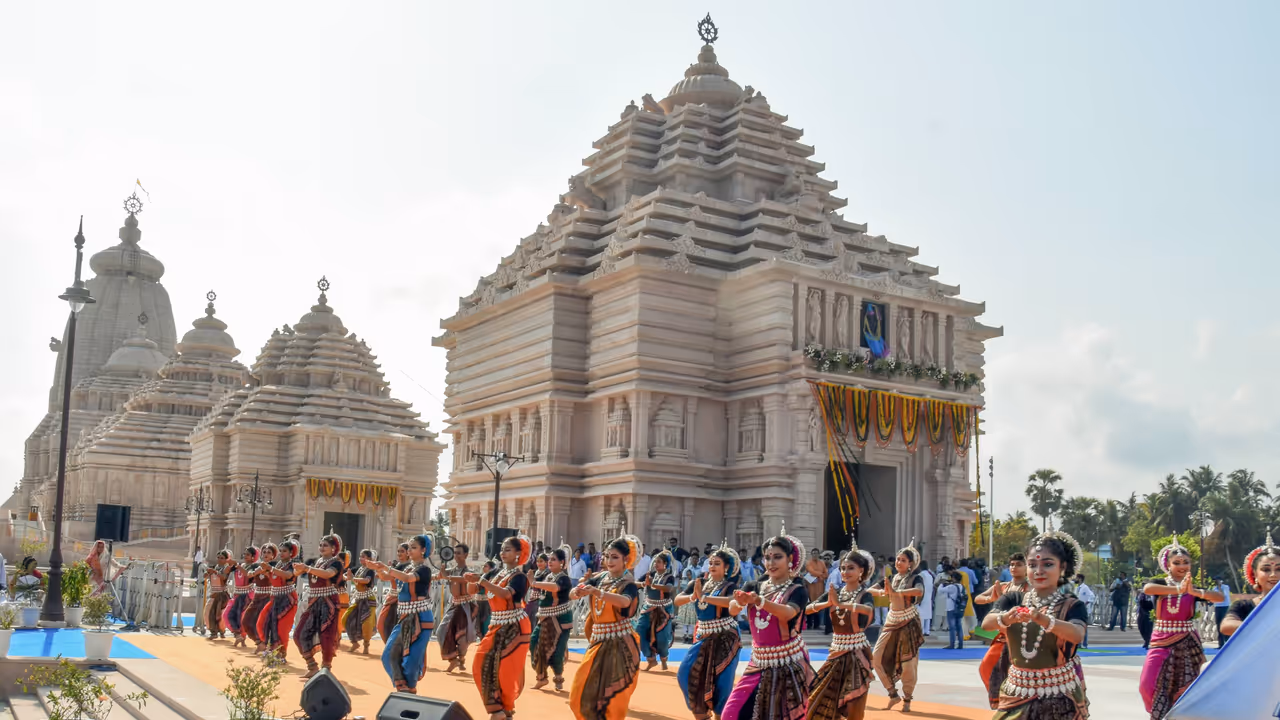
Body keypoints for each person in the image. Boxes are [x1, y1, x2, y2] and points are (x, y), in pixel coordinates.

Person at [981, 526, 1089, 719]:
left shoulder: (1072, 605)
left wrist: (1045, 620)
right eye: (1032, 565)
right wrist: (1005, 618)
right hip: (1016, 693)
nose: (1039, 571)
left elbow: (1077, 634)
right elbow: (986, 624)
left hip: (1058, 697)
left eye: (1047, 564)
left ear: (1062, 567)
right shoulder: (1013, 599)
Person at [722, 528, 813, 720]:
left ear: (790, 559)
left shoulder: (798, 590)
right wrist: (740, 602)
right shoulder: (754, 586)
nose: (771, 563)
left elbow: (788, 613)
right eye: (767, 558)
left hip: (788, 661)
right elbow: (732, 609)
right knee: (731, 714)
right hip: (758, 661)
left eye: (777, 557)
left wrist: (759, 601)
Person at [1138, 537, 1224, 719]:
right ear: (1168, 565)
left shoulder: (1193, 587)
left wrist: (1195, 592)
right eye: (1176, 563)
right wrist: (1179, 590)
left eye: (1186, 562)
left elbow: (1219, 597)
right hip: (1160, 639)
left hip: (1187, 640)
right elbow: (1147, 589)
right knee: (1146, 685)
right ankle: (1160, 714)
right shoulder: (1160, 584)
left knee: (1188, 684)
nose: (1182, 566)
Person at [569, 533, 642, 720]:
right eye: (607, 556)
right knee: (579, 692)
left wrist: (597, 592)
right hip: (598, 642)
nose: (609, 561)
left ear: (626, 559)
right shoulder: (600, 578)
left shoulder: (628, 584)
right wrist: (576, 591)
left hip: (621, 645)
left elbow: (625, 602)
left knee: (612, 699)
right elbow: (573, 593)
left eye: (614, 557)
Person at [805, 539, 875, 720]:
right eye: (843, 568)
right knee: (817, 700)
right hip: (836, 654)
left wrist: (842, 605)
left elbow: (868, 610)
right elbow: (807, 609)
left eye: (850, 568)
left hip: (857, 655)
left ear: (861, 571)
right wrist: (827, 603)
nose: (845, 572)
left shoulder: (864, 594)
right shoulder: (835, 592)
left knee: (854, 706)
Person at [467, 536, 533, 720]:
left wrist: (482, 581)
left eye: (508, 550)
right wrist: (471, 580)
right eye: (502, 549)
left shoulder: (519, 577)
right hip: (496, 625)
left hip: (515, 627)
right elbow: (472, 591)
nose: (503, 553)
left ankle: (504, 711)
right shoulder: (495, 573)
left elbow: (505, 594)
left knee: (505, 671)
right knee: (481, 663)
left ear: (518, 554)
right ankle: (498, 709)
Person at [675, 541, 742, 720]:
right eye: (711, 563)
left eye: (717, 563)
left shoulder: (730, 586)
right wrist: (693, 596)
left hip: (726, 637)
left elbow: (731, 602)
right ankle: (701, 714)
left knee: (722, 683)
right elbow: (677, 600)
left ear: (726, 568)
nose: (712, 566)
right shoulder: (699, 582)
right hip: (703, 636)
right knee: (685, 673)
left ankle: (720, 716)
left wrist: (705, 597)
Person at [370, 534, 434, 694]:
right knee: (389, 654)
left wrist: (385, 567)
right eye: (409, 547)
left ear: (423, 550)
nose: (409, 551)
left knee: (411, 661)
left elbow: (407, 578)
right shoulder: (406, 567)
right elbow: (387, 577)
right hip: (405, 617)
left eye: (414, 548)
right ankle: (402, 686)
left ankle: (408, 690)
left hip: (421, 618)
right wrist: (377, 568)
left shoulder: (424, 570)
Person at [869, 539, 926, 713]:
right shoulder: (891, 578)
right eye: (898, 559)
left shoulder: (916, 578)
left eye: (903, 560)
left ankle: (907, 698)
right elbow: (870, 589)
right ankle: (892, 693)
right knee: (876, 657)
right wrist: (883, 591)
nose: (899, 562)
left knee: (908, 663)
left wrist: (897, 592)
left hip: (908, 622)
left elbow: (919, 591)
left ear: (910, 564)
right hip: (891, 621)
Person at [975, 553, 1028, 707]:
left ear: (1026, 567)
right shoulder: (1004, 586)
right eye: (1012, 564)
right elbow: (978, 598)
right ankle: (999, 700)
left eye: (1018, 565)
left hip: (1022, 636)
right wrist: (991, 599)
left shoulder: (1030, 588)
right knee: (986, 667)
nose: (1014, 567)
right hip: (1002, 636)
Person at [291, 533, 345, 678]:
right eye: (320, 545)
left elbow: (327, 574)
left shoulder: (336, 563)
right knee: (299, 634)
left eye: (325, 545)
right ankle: (312, 666)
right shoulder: (316, 562)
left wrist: (307, 568)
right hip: (314, 601)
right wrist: (298, 568)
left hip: (328, 601)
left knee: (326, 635)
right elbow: (296, 573)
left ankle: (326, 668)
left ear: (333, 548)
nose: (321, 547)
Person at [529, 543, 574, 692]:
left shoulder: (564, 579)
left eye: (553, 559)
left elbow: (555, 588)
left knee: (557, 651)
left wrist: (534, 583)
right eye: (549, 559)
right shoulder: (547, 576)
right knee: (534, 643)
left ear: (562, 562)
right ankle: (541, 677)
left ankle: (558, 677)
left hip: (561, 619)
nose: (550, 562)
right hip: (544, 617)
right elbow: (538, 591)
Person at [1221, 529, 1278, 638]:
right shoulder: (1243, 606)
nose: (1273, 575)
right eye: (1266, 570)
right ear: (1255, 574)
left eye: (1279, 569)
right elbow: (1226, 626)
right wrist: (1267, 628)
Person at [439, 542, 478, 673]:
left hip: (466, 605)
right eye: (454, 553)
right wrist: (442, 570)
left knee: (462, 636)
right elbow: (441, 575)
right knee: (441, 631)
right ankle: (453, 660)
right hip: (454, 604)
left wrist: (447, 576)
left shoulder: (468, 572)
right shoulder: (452, 570)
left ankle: (460, 660)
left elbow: (464, 579)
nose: (456, 555)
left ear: (466, 555)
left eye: (459, 553)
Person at [637, 550, 676, 671]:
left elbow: (669, 588)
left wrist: (653, 585)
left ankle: (664, 658)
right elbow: (637, 583)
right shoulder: (650, 574)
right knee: (639, 632)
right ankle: (650, 658)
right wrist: (643, 583)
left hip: (664, 609)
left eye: (658, 562)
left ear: (665, 564)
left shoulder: (669, 577)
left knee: (662, 638)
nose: (655, 564)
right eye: (655, 562)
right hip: (648, 607)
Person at [259, 539, 299, 657]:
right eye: (280, 551)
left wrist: (271, 569)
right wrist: (265, 571)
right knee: (265, 622)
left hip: (288, 599)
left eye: (284, 551)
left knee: (282, 628)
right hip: (275, 598)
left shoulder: (292, 565)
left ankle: (282, 653)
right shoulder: (278, 564)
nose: (281, 553)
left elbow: (288, 575)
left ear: (291, 553)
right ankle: (272, 649)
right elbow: (274, 578)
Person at [342, 549, 378, 654]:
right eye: (360, 556)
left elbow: (366, 581)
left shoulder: (370, 570)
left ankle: (366, 645)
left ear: (369, 558)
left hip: (368, 599)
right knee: (346, 618)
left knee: (366, 623)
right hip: (358, 598)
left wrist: (353, 578)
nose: (360, 558)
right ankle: (354, 642)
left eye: (363, 556)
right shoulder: (359, 569)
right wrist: (345, 576)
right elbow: (348, 577)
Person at [223, 547, 257, 648]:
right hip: (237, 595)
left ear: (253, 557)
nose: (245, 556)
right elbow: (226, 571)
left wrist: (237, 565)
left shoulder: (255, 567)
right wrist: (229, 564)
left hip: (248, 596)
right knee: (227, 615)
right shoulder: (240, 566)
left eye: (248, 554)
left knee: (242, 617)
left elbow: (248, 575)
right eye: (244, 554)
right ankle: (237, 635)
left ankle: (242, 638)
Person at [379, 543, 411, 643]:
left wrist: (380, 568)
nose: (399, 553)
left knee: (388, 625)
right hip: (392, 598)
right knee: (383, 625)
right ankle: (390, 648)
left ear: (408, 553)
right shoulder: (398, 566)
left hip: (401, 600)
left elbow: (386, 577)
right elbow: (385, 577)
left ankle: (393, 648)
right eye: (398, 551)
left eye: (402, 551)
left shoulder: (407, 567)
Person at [203, 550, 233, 640]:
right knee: (209, 613)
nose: (219, 559)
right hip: (214, 593)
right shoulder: (215, 567)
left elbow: (224, 577)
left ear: (226, 559)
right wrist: (207, 573)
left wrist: (215, 572)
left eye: (222, 558)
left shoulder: (227, 568)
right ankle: (213, 632)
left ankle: (222, 631)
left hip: (222, 594)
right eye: (218, 557)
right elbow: (205, 576)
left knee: (220, 614)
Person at [939, 572, 966, 650]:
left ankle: (952, 644)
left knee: (952, 627)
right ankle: (960, 644)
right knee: (959, 626)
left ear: (954, 578)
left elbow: (940, 590)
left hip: (951, 608)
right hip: (960, 608)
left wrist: (942, 584)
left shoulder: (951, 587)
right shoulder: (962, 587)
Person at [1074, 573, 1095, 648]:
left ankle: (1085, 643)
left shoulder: (1085, 588)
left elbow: (1092, 596)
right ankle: (1078, 643)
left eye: (1076, 578)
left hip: (1084, 610)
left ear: (1080, 579)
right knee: (1077, 626)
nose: (1075, 579)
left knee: (1084, 626)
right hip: (1077, 609)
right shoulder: (1077, 588)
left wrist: (1086, 603)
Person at [1212, 576, 1232, 646]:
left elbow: (1223, 596)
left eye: (1217, 580)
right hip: (1218, 607)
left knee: (1225, 624)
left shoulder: (1226, 587)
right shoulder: (1214, 588)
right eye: (1215, 581)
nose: (1216, 582)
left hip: (1225, 607)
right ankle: (1220, 644)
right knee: (1219, 625)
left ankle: (1227, 642)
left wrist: (1220, 587)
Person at [918, 563, 935, 636]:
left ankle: (921, 630)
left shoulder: (921, 575)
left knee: (921, 614)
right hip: (929, 596)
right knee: (928, 614)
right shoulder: (930, 575)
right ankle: (927, 631)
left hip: (922, 596)